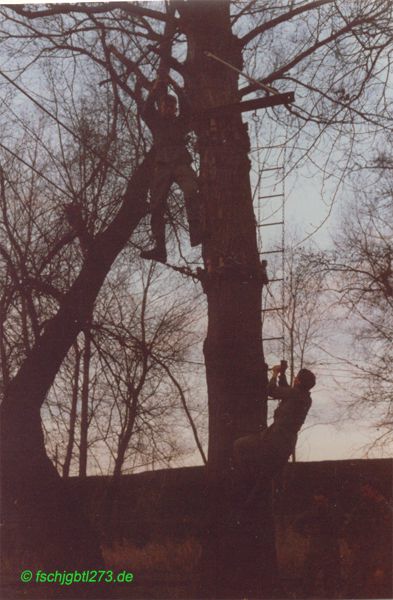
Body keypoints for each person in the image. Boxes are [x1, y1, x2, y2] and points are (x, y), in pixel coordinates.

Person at [140, 77, 202, 263]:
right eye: (164, 106)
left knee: (192, 191)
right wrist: (154, 90)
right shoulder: (156, 121)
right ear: (160, 108)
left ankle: (196, 231)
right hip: (162, 165)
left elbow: (188, 109)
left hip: (181, 162)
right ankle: (160, 248)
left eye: (171, 106)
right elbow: (146, 111)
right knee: (156, 205)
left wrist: (176, 87)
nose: (167, 109)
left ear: (174, 109)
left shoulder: (181, 122)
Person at [233, 363, 315, 500]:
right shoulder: (305, 398)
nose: (294, 379)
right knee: (264, 483)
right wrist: (282, 375)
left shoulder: (294, 394)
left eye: (296, 378)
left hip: (273, 440)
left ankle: (245, 480)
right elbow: (286, 391)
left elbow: (271, 390)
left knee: (239, 445)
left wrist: (275, 374)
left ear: (298, 381)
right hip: (286, 444)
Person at [294, 490, 343, 598]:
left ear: (326, 500)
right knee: (309, 577)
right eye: (316, 501)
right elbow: (298, 523)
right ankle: (307, 595)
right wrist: (305, 533)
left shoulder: (333, 512)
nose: (319, 504)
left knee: (330, 579)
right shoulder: (312, 512)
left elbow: (339, 528)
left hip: (330, 549)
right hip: (315, 548)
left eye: (321, 501)